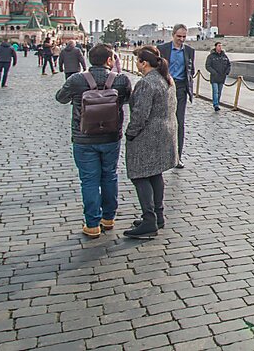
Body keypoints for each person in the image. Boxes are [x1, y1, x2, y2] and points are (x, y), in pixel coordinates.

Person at [55, 44, 132, 239]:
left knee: (89, 180)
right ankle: (108, 218)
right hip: (110, 137)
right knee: (110, 176)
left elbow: (60, 98)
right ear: (109, 60)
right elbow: (126, 100)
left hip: (84, 138)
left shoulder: (76, 80)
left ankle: (92, 224)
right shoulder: (121, 80)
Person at [123, 45, 179, 239]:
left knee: (140, 175)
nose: (137, 65)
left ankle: (149, 220)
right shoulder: (166, 79)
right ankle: (158, 216)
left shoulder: (147, 83)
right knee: (155, 174)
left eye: (138, 61)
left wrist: (130, 133)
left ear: (143, 63)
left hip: (149, 135)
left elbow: (140, 114)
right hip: (166, 132)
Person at [157, 24, 195, 168]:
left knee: (179, 122)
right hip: (165, 88)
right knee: (162, 121)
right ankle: (162, 154)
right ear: (173, 35)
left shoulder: (189, 51)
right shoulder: (162, 49)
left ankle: (178, 156)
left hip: (180, 89)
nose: (181, 39)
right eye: (179, 36)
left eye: (184, 36)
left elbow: (190, 70)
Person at [203, 41, 231, 112]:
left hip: (222, 77)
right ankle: (215, 104)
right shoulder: (211, 56)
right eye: (219, 46)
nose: (220, 47)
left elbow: (228, 64)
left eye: (221, 46)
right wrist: (214, 72)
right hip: (214, 77)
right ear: (215, 47)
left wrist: (227, 72)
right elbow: (208, 66)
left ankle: (217, 102)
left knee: (219, 92)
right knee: (215, 91)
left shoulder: (224, 56)